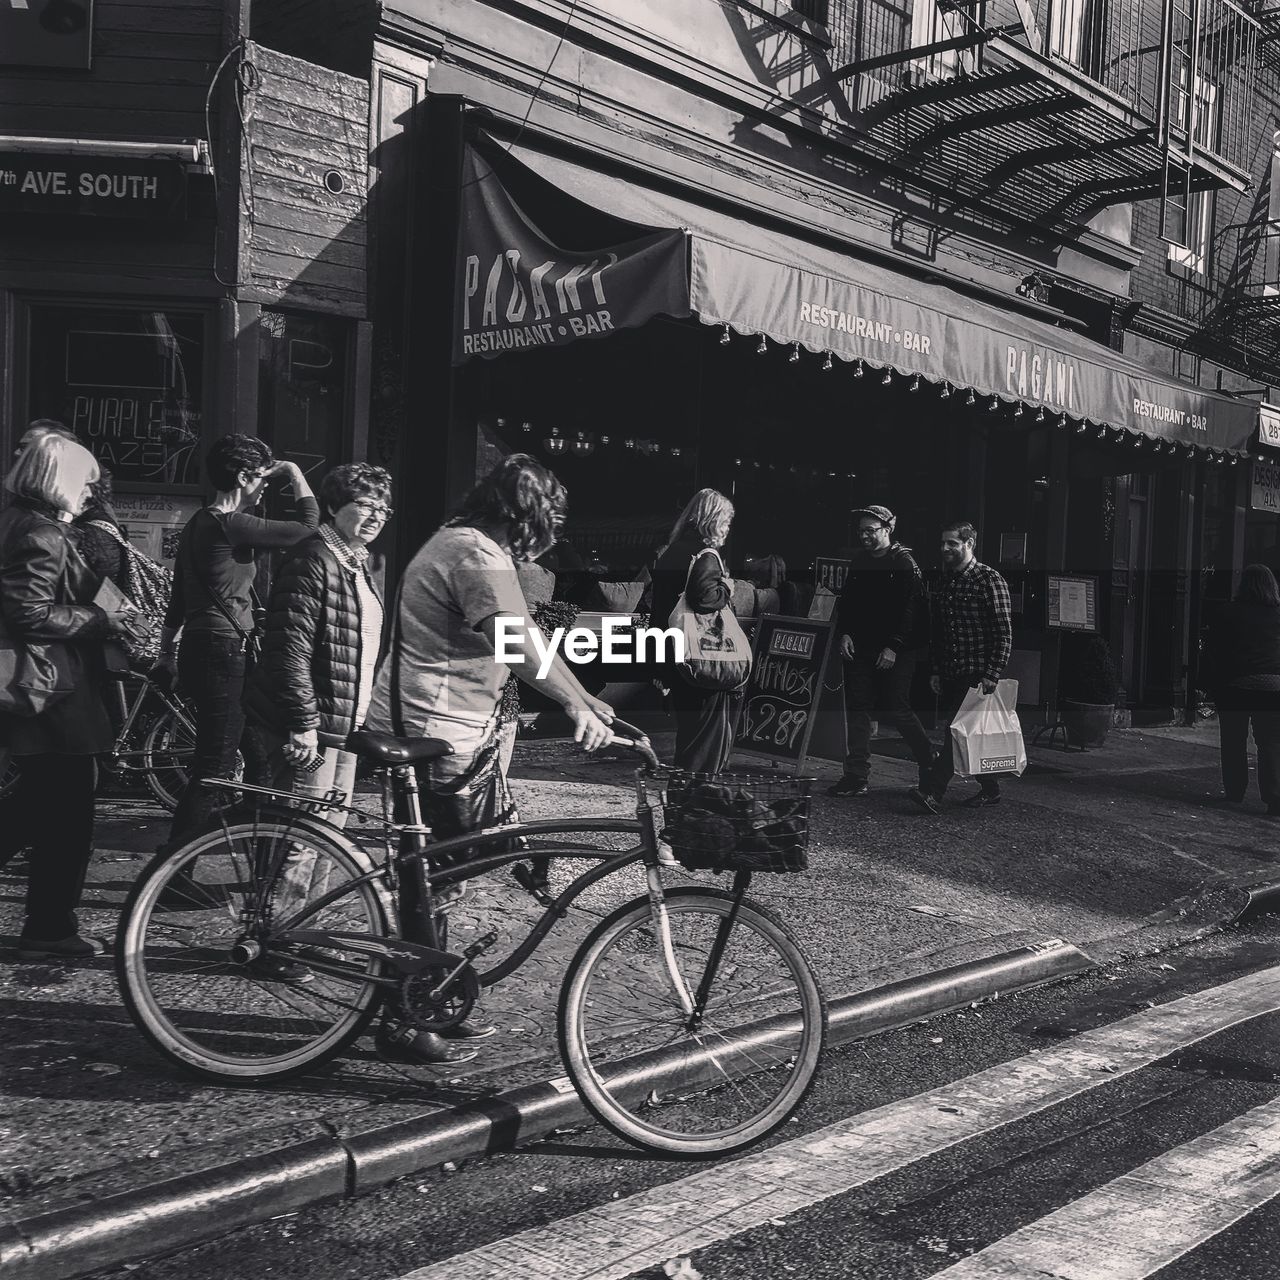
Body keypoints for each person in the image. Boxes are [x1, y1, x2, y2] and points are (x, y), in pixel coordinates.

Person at [362, 452, 614, 1065]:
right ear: (525, 517)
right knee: (433, 879)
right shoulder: (475, 553)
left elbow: (525, 640)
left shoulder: (473, 546)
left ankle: (432, 1000)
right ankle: (406, 1018)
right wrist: (577, 707)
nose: (546, 543)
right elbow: (512, 641)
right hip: (433, 725)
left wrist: (584, 698)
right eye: (545, 525)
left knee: (447, 873)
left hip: (448, 725)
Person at [0, 433, 143, 957]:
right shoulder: (42, 533)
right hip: (52, 694)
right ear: (60, 481)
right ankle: (50, 928)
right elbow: (28, 612)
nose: (91, 491)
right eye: (85, 481)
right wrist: (103, 618)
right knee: (66, 816)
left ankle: (50, 923)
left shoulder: (17, 520)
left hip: (40, 691)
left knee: (37, 806)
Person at [155, 435, 319, 848]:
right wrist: (296, 475)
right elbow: (307, 528)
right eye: (262, 478)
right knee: (214, 767)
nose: (265, 487)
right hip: (222, 652)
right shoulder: (230, 523)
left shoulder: (199, 523)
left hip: (207, 648)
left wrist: (167, 651)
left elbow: (179, 597)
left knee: (259, 760)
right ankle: (173, 872)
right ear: (244, 477)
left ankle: (258, 850)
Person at [245, 463, 390, 819]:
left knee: (331, 837)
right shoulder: (311, 559)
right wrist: (303, 725)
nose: (377, 516)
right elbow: (289, 650)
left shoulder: (360, 565)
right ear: (333, 506)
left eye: (383, 509)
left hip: (344, 724)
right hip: (311, 726)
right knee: (299, 837)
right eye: (366, 505)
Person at [828, 504, 934, 798]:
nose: (864, 536)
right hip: (861, 644)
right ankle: (856, 776)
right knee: (858, 707)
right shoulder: (860, 561)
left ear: (888, 530)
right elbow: (848, 601)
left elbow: (910, 610)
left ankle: (930, 762)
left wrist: (894, 646)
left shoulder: (903, 563)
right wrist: (845, 633)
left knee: (897, 709)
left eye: (871, 531)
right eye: (861, 531)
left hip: (897, 649)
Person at [908, 520, 1013, 815]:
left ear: (969, 544)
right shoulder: (945, 581)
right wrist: (937, 670)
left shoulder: (989, 580)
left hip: (977, 675)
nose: (945, 549)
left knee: (955, 732)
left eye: (952, 543)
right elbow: (940, 633)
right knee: (968, 734)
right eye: (943, 543)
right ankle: (991, 789)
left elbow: (1003, 632)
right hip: (952, 671)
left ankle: (932, 793)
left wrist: (992, 674)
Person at [648, 489, 742, 774]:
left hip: (675, 653)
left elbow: (659, 607)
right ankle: (695, 802)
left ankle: (684, 800)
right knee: (705, 741)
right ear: (713, 520)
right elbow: (704, 597)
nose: (727, 529)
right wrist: (727, 588)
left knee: (689, 736)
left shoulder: (673, 551)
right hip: (702, 656)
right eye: (726, 521)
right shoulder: (705, 555)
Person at [1204, 563, 1280, 815]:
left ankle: (1235, 791)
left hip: (1236, 684)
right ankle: (1274, 798)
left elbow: (1215, 650)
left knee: (1233, 740)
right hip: (1273, 686)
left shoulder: (1229, 612)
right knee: (1269, 742)